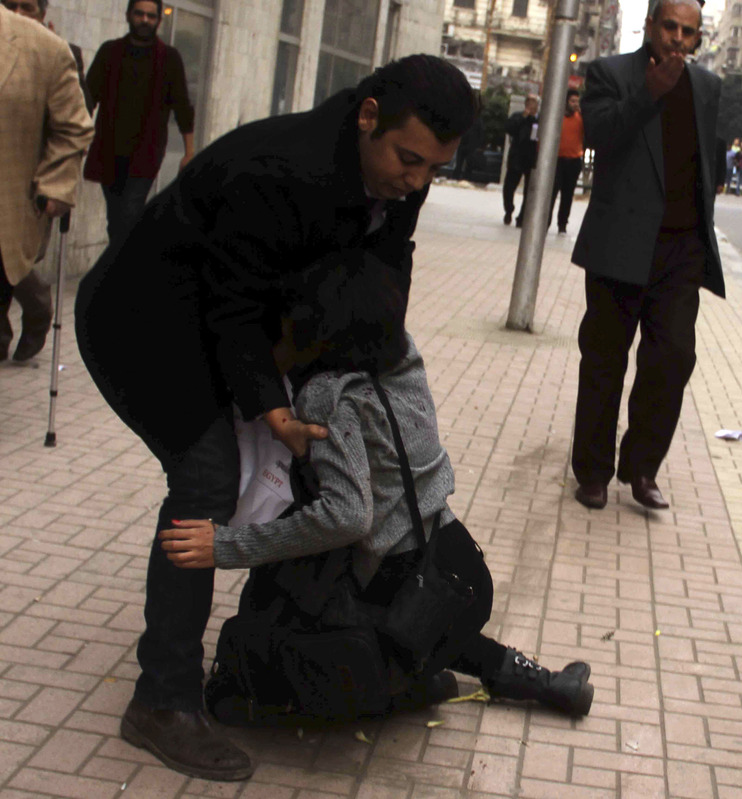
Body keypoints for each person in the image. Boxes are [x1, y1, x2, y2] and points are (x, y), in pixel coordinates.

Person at [74, 55, 476, 782]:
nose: (415, 181)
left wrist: (368, 372)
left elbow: (386, 270)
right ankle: (161, 696)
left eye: (433, 169)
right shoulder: (276, 169)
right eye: (409, 159)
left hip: (239, 326)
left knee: (306, 467)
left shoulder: (394, 171)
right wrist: (275, 410)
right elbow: (230, 310)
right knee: (208, 480)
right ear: (367, 116)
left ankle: (297, 649)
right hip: (144, 325)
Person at [162, 257, 594, 728]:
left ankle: (405, 689)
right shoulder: (403, 359)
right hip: (439, 550)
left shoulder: (329, 396)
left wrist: (226, 546)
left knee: (287, 638)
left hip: (379, 573)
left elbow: (347, 516)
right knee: (425, 629)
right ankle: (544, 683)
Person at [570, 0, 724, 511]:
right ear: (651, 26)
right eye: (670, 27)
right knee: (604, 360)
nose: (679, 38)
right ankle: (592, 471)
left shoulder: (706, 87)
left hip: (680, 250)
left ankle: (642, 468)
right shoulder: (611, 73)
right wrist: (648, 94)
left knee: (673, 358)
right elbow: (597, 136)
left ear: (699, 37)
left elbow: (710, 161)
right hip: (620, 246)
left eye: (689, 31)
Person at [0, 5, 92, 363]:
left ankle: (35, 314)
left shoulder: (47, 48)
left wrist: (55, 184)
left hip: (8, 210)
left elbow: (74, 126)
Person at [84, 0, 195, 247]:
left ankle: (124, 275)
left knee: (129, 214)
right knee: (115, 219)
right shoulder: (109, 53)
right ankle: (121, 269)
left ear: (158, 21)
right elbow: (88, 99)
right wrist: (76, 140)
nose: (145, 20)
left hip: (145, 153)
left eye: (151, 16)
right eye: (139, 14)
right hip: (108, 150)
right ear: (128, 15)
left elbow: (183, 107)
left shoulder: (169, 58)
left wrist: (189, 152)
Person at [2, 0, 92, 111]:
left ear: (42, 16)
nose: (17, 14)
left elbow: (83, 111)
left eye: (27, 8)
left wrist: (57, 59)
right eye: (10, 7)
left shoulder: (66, 54)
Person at [548, 88, 584, 234]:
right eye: (572, 101)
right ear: (566, 102)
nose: (575, 104)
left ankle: (562, 223)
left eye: (577, 101)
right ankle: (546, 222)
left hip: (574, 161)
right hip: (558, 161)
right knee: (552, 193)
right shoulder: (558, 117)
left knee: (568, 195)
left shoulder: (581, 118)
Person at [502, 94, 539, 226]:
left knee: (529, 191)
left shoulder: (539, 120)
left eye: (533, 101)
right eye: (528, 101)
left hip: (531, 159)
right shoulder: (518, 116)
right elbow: (509, 128)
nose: (530, 103)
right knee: (509, 188)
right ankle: (508, 210)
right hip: (517, 157)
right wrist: (524, 116)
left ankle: (522, 217)